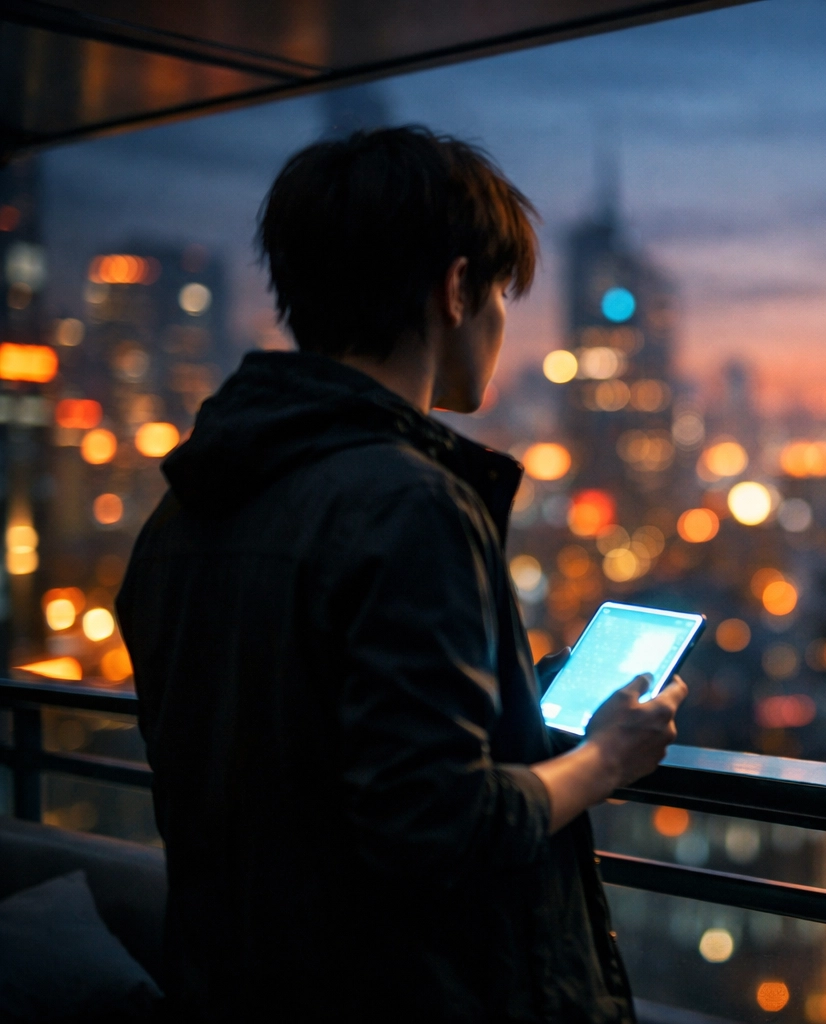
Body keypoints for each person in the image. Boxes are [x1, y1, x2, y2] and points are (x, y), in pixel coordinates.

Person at [117, 126, 686, 1023]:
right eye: (502, 291)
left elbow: (304, 738)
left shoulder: (182, 510)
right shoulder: (405, 502)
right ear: (456, 289)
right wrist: (604, 757)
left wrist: (507, 696)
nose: (503, 320)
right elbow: (441, 823)